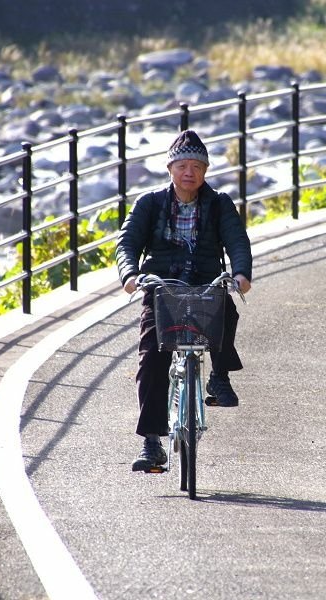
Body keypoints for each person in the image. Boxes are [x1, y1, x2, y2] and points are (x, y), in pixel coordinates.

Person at [116, 129, 253, 472]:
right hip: (162, 287)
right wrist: (130, 274)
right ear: (170, 169)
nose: (189, 172)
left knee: (226, 312)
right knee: (151, 357)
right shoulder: (149, 203)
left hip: (206, 283)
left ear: (205, 171)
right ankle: (151, 442)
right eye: (182, 165)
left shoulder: (219, 204)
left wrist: (241, 273)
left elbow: (237, 240)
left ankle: (219, 377)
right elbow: (127, 242)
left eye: (196, 166)